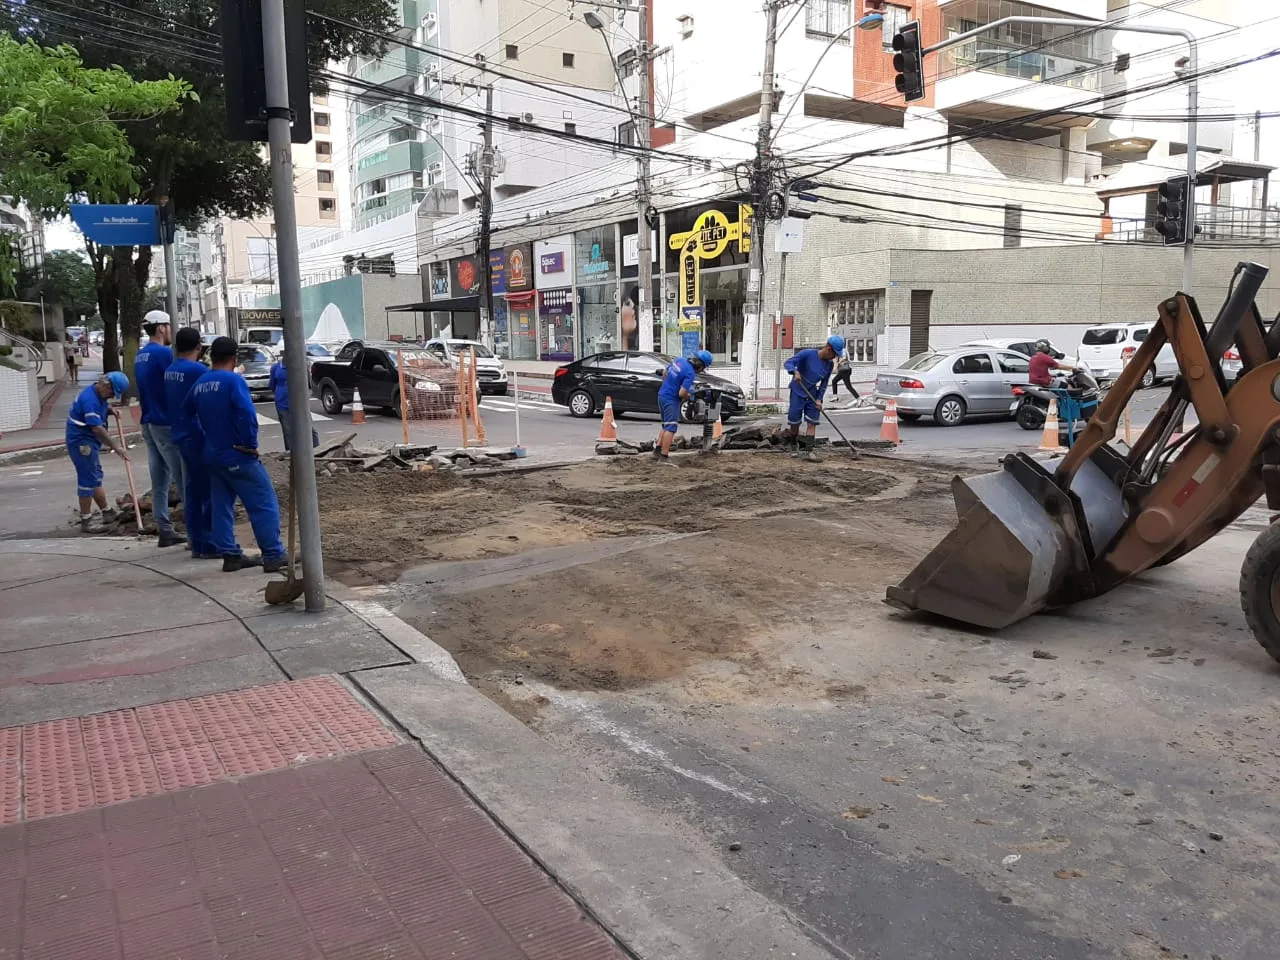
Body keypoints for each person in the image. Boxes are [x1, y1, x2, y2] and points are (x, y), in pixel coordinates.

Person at [187, 336, 287, 573]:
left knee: (221, 505)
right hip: (238, 455)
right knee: (263, 503)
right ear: (234, 358)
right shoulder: (233, 381)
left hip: (213, 455)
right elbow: (246, 414)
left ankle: (230, 555)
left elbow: (186, 414)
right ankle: (273, 554)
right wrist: (249, 444)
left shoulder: (201, 382)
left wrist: (205, 438)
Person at [135, 309, 187, 548]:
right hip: (164, 422)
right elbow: (176, 382)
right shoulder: (163, 354)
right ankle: (195, 531)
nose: (171, 330)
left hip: (148, 421)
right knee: (182, 476)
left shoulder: (141, 355)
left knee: (160, 480)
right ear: (161, 328)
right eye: (169, 325)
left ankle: (165, 529)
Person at [164, 327, 217, 559]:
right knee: (207, 491)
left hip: (180, 434)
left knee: (193, 490)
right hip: (198, 435)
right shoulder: (197, 370)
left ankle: (196, 542)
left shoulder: (171, 369)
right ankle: (208, 543)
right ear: (199, 347)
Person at [65, 372, 129, 532]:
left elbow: (101, 406)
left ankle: (106, 510)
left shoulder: (97, 394)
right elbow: (97, 429)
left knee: (95, 475)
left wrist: (110, 411)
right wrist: (117, 447)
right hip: (82, 442)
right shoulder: (90, 400)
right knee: (87, 480)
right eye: (112, 393)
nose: (112, 396)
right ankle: (86, 520)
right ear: (106, 385)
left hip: (89, 440)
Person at [784, 336, 845, 462]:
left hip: (812, 393)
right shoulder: (807, 354)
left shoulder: (828, 365)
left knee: (812, 421)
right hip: (798, 390)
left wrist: (819, 399)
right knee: (795, 421)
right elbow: (788, 363)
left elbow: (824, 384)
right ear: (828, 348)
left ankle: (809, 450)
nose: (834, 358)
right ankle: (793, 444)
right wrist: (794, 371)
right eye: (834, 354)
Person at [654, 349, 713, 465]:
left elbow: (665, 373)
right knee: (671, 428)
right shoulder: (690, 373)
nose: (702, 370)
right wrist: (689, 395)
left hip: (661, 395)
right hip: (671, 400)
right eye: (703, 368)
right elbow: (681, 393)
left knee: (665, 425)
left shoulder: (679, 360)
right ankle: (664, 456)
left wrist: (670, 385)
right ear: (700, 365)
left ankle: (657, 451)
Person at [269, 348, 318, 452]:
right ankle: (291, 454)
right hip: (282, 404)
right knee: (288, 432)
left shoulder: (300, 366)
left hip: (300, 404)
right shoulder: (276, 368)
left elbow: (308, 384)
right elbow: (272, 385)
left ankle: (316, 451)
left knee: (309, 430)